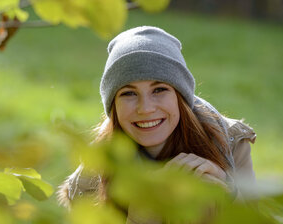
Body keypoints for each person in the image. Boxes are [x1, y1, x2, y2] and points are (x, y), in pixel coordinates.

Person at [58, 26, 256, 222]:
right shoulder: (95, 174)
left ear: (180, 97)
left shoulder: (229, 143)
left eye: (159, 90)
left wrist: (229, 195)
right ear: (113, 107)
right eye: (128, 93)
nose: (145, 108)